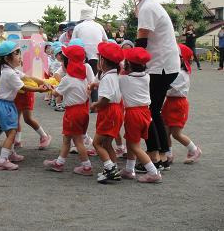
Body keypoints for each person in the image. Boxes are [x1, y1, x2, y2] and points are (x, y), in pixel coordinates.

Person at [127, 0, 180, 170]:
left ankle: (154, 158)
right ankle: (164, 156)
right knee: (154, 110)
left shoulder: (148, 8)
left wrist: (131, 65)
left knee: (148, 110)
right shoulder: (149, 4)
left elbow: (141, 43)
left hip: (161, 67)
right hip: (166, 65)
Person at [0, 41, 49, 170]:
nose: (20, 56)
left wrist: (45, 82)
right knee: (12, 133)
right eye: (16, 54)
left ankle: (10, 153)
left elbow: (27, 77)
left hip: (4, 104)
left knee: (10, 132)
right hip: (4, 105)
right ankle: (2, 160)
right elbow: (24, 87)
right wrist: (40, 90)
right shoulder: (10, 73)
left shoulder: (9, 70)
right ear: (7, 58)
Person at [43, 45, 93, 175]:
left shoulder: (67, 79)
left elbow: (56, 94)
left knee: (77, 141)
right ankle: (59, 163)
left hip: (73, 113)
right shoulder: (83, 77)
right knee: (67, 139)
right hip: (82, 110)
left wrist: (50, 87)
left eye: (63, 61)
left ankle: (86, 167)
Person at [119, 47, 162, 183]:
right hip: (145, 112)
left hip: (133, 114)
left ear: (129, 65)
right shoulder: (146, 76)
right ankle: (129, 169)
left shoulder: (123, 79)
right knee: (132, 141)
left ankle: (153, 172)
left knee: (134, 146)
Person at [90, 42, 124, 183]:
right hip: (116, 110)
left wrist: (95, 105)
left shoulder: (107, 78)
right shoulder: (114, 75)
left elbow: (105, 99)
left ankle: (110, 168)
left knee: (97, 143)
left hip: (109, 111)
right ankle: (114, 168)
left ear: (103, 61)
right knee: (107, 143)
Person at [162, 44, 202, 164]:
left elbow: (166, 87)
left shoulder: (180, 74)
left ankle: (194, 150)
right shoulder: (175, 71)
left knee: (176, 133)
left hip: (178, 104)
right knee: (165, 131)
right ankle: (168, 154)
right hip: (169, 102)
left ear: (182, 59)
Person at [71, 8, 108, 102]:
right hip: (97, 55)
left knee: (82, 78)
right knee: (95, 77)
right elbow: (105, 41)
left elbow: (72, 43)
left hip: (82, 56)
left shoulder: (78, 27)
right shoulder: (99, 26)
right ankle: (95, 100)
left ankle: (81, 100)